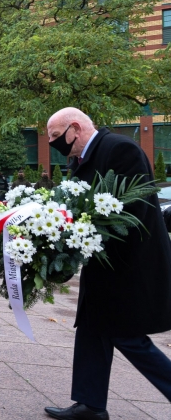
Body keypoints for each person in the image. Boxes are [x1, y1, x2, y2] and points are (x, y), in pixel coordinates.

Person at [43, 107, 171, 420]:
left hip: (130, 268)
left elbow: (133, 209)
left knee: (127, 337)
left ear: (75, 127)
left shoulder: (120, 149)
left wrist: (82, 237)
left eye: (57, 137)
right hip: (104, 267)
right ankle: (90, 405)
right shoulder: (83, 161)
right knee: (91, 328)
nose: (54, 145)